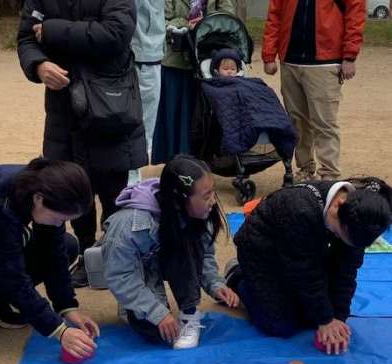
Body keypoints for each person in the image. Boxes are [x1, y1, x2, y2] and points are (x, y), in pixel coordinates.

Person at [17, 0, 148, 288]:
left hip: (110, 103)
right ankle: (87, 254)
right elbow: (27, 37)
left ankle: (117, 254)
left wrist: (52, 30)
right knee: (70, 187)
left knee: (113, 189)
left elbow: (116, 33)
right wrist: (38, 65)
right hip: (63, 108)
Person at [225, 178, 392, 355]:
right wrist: (325, 320)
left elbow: (346, 272)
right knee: (280, 325)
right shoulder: (299, 209)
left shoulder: (358, 221)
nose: (339, 238)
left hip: (304, 252)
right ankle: (237, 276)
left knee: (313, 316)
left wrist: (338, 317)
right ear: (338, 206)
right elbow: (305, 272)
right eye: (338, 233)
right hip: (262, 254)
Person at [102, 154, 239, 349]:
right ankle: (130, 306)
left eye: (212, 192)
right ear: (178, 200)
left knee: (186, 244)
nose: (213, 201)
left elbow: (203, 254)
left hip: (168, 259)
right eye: (206, 196)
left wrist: (215, 284)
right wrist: (157, 313)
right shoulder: (127, 225)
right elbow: (121, 275)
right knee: (157, 331)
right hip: (141, 270)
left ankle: (190, 314)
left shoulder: (198, 213)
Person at [0, 158, 99, 359]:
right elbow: (13, 277)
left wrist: (67, 307)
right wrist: (59, 330)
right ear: (39, 199)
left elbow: (54, 254)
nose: (60, 223)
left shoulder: (46, 188)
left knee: (66, 245)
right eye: (59, 218)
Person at [261, 0, 365, 182]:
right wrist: (269, 54)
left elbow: (355, 14)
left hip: (325, 62)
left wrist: (350, 55)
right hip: (291, 61)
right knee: (297, 122)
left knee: (324, 122)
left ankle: (329, 174)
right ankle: (305, 170)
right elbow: (274, 16)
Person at [152, 0, 236, 164]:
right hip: (176, 61)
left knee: (202, 113)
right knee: (175, 113)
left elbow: (228, 17)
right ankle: (175, 160)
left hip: (207, 60)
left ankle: (204, 157)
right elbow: (160, 20)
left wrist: (205, 24)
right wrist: (185, 24)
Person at [128, 0, 166, 186]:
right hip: (141, 56)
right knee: (139, 126)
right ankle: (131, 180)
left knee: (144, 127)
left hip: (148, 57)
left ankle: (133, 179)